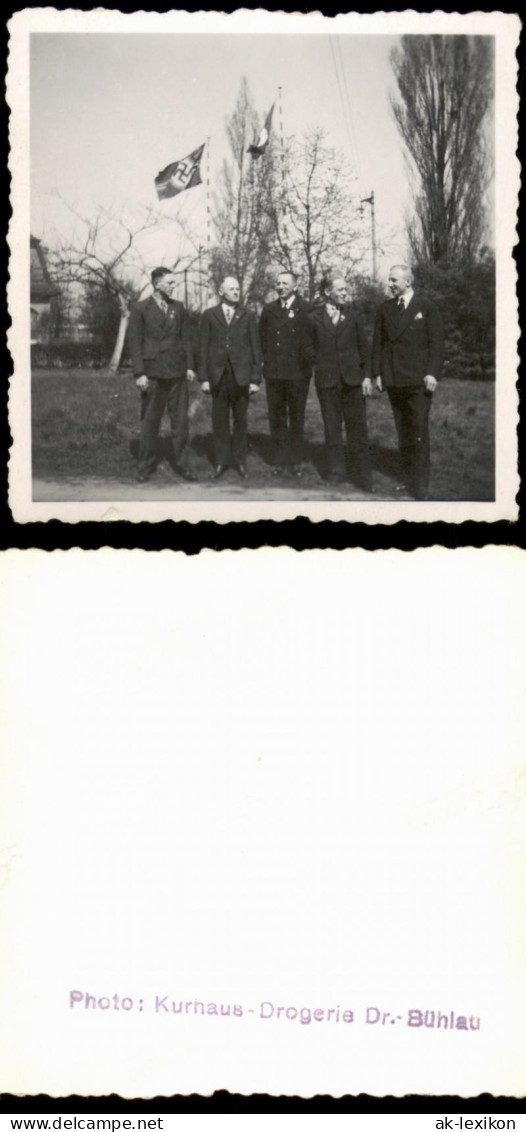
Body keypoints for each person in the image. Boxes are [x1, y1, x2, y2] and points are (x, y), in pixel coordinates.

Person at [372, 264, 444, 500]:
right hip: (394, 380)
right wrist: (378, 374)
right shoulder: (385, 309)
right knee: (403, 432)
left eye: (394, 280)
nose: (390, 284)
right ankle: (406, 479)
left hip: (418, 381)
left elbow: (437, 343)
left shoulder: (427, 306)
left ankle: (421, 485)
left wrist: (432, 372)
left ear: (408, 282)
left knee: (419, 431)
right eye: (389, 280)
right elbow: (379, 344)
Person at [127, 267, 197, 483]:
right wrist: (139, 373)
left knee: (180, 421)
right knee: (150, 422)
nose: (173, 286)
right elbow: (135, 343)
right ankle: (145, 466)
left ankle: (183, 466)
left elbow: (187, 339)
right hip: (153, 373)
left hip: (176, 372)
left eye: (174, 283)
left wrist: (190, 367)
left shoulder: (179, 308)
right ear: (157, 284)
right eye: (170, 283)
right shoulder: (140, 309)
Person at [308, 274, 374, 490]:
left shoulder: (354, 316)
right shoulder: (314, 318)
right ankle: (336, 472)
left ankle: (362, 476)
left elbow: (365, 349)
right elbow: (308, 349)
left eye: (346, 289)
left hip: (353, 382)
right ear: (328, 292)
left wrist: (366, 377)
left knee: (358, 428)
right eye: (341, 290)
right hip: (327, 383)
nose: (346, 293)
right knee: (332, 428)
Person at [199, 277, 262, 479]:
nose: (236, 292)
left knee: (241, 420)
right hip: (218, 377)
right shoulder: (209, 315)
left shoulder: (248, 315)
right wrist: (204, 378)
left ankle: (240, 460)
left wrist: (255, 379)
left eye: (237, 289)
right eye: (231, 289)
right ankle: (221, 461)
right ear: (221, 291)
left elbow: (256, 349)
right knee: (219, 420)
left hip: (241, 377)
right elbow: (202, 348)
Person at [259, 270, 312, 477]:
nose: (280, 287)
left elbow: (310, 340)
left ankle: (296, 460)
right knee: (277, 417)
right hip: (275, 373)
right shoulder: (269, 310)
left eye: (285, 283)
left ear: (295, 286)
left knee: (297, 417)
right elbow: (262, 339)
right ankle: (280, 460)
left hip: (298, 373)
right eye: (278, 283)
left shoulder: (306, 309)